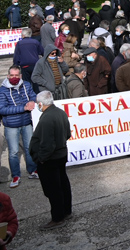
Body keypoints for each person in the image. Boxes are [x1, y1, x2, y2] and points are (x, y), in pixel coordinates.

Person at [29, 91, 72, 229]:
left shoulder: (47, 118)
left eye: (38, 104)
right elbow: (67, 134)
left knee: (53, 189)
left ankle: (58, 217)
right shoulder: (60, 112)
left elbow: (47, 144)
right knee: (62, 184)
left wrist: (41, 159)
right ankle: (66, 211)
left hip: (50, 159)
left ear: (41, 104)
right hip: (60, 155)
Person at [0, 66, 38, 188]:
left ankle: (32, 170)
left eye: (17, 75)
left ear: (20, 76)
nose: (14, 78)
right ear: (8, 76)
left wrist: (33, 101)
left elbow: (33, 95)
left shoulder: (26, 85)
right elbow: (2, 109)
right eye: (12, 75)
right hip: (11, 125)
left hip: (26, 122)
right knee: (14, 152)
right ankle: (16, 175)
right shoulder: (3, 90)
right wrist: (23, 108)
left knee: (29, 148)